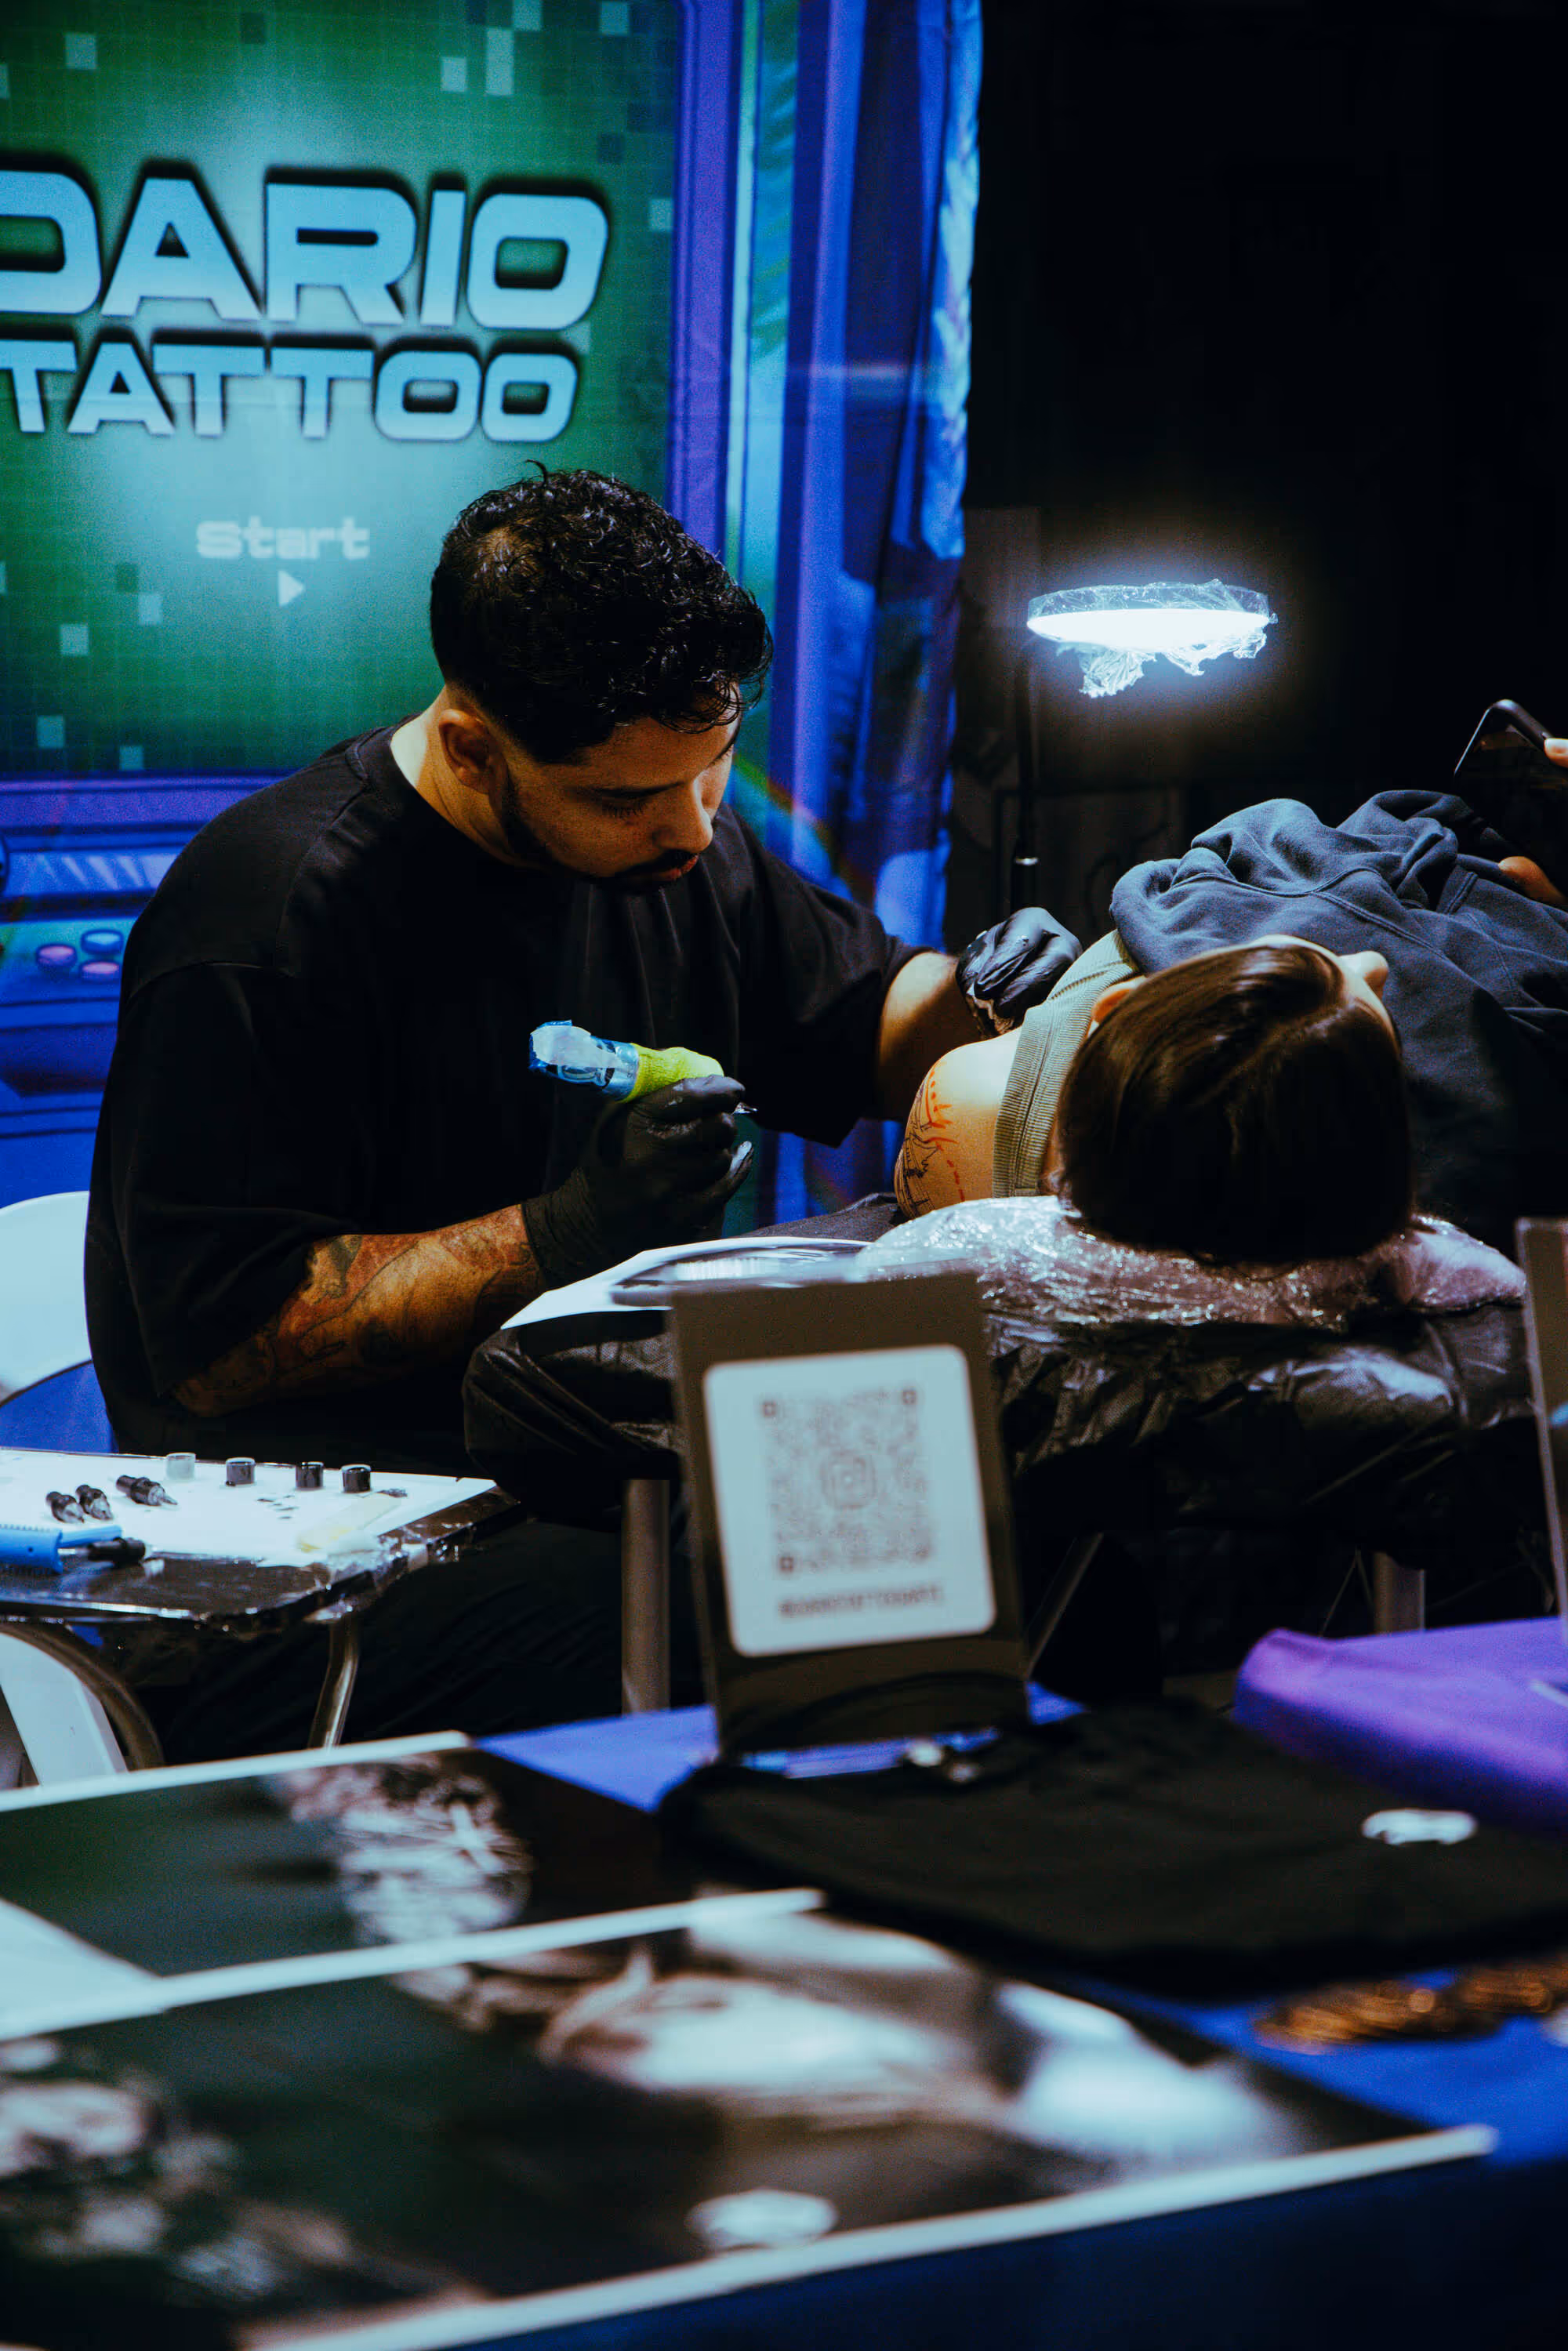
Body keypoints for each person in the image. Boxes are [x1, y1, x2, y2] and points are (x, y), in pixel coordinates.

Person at [85, 466, 1077, 1754]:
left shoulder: (688, 846)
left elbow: (878, 1028)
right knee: (768, 1607)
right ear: (469, 745)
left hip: (589, 1491)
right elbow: (222, 1343)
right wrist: (562, 1233)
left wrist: (1009, 1003)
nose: (688, 825)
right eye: (623, 797)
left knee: (1003, 1534)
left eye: (715, 770)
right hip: (291, 1573)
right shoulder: (268, 924)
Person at [895, 778, 1568, 1264]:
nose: (1373, 962)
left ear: (1116, 1007)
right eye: (1385, 1032)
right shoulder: (1486, 1145)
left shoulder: (968, 1107)